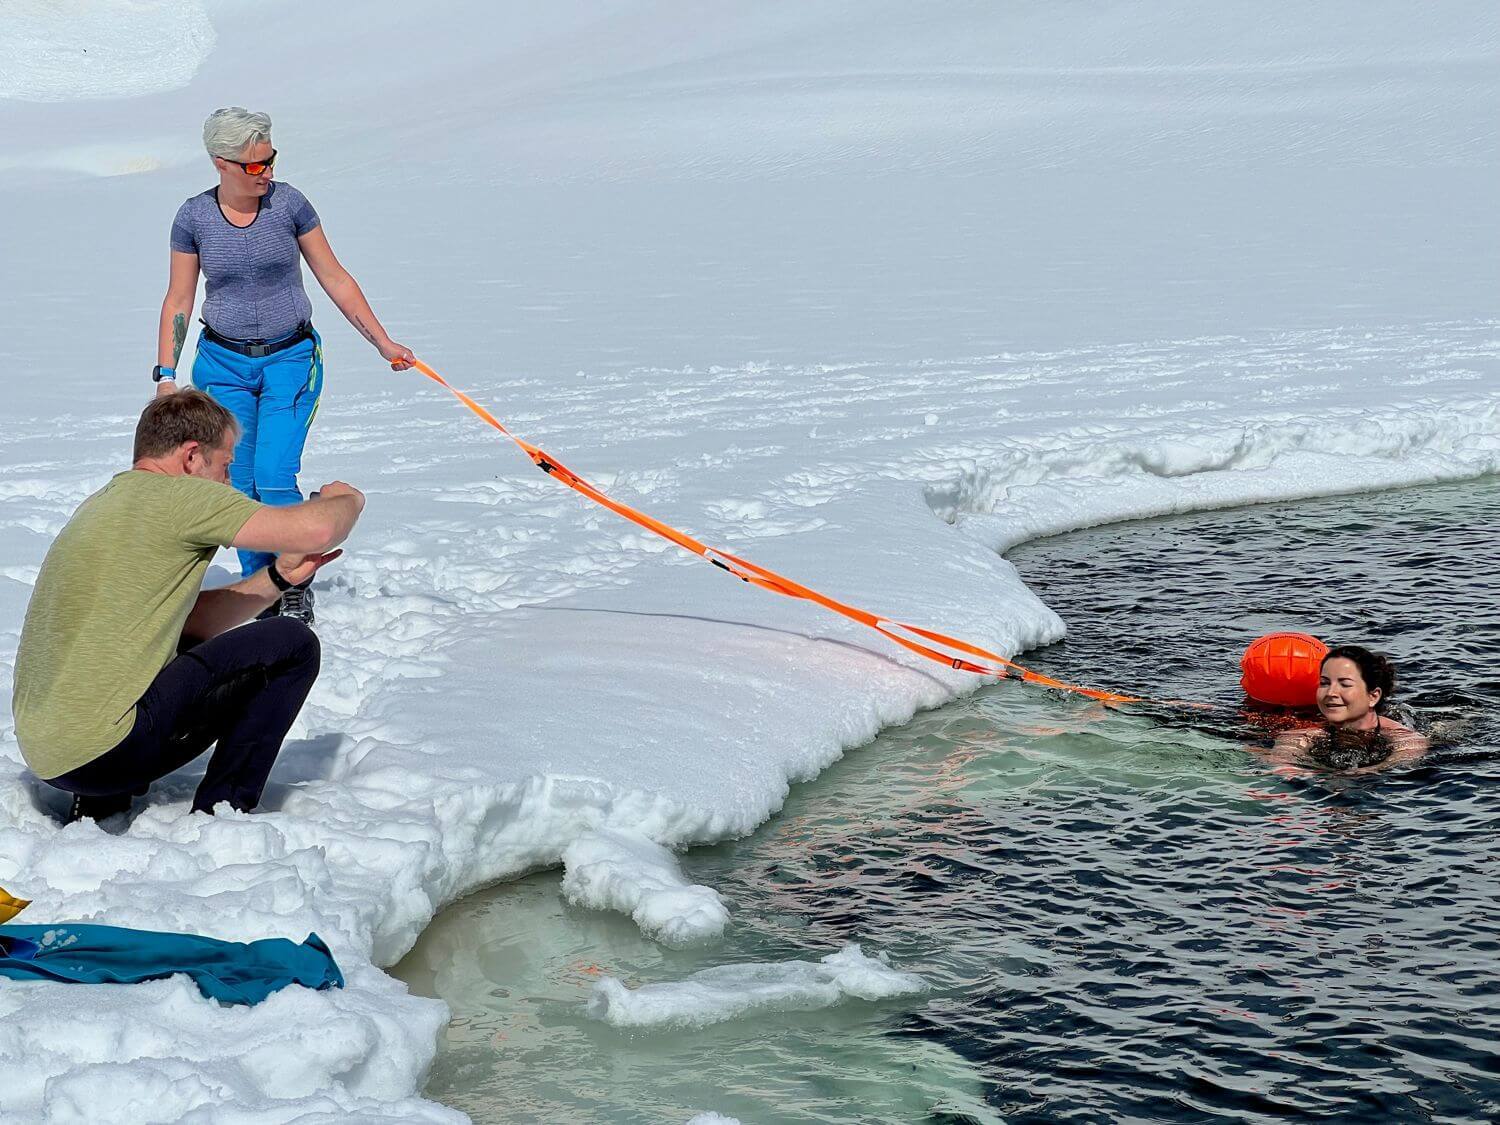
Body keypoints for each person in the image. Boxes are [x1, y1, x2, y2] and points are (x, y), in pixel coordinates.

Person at [11, 391, 366, 823]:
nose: (229, 482)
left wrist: (278, 578)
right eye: (226, 465)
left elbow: (189, 624)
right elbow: (318, 530)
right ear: (192, 456)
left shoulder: (103, 504)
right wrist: (346, 500)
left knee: (172, 645)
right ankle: (223, 811)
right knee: (292, 643)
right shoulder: (181, 496)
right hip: (107, 753)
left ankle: (104, 798)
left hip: (52, 755)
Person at [155, 106, 413, 623]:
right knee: (238, 481)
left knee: (273, 475)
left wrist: (382, 342)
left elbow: (333, 276)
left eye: (270, 159)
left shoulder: (289, 204)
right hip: (222, 366)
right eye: (254, 165)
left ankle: (294, 580)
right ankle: (264, 588)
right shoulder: (194, 217)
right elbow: (179, 298)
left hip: (291, 360)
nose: (267, 172)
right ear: (221, 163)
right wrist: (165, 376)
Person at [1272, 645, 1428, 770]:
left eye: (1345, 684)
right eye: (1324, 683)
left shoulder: (1404, 737)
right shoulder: (1301, 735)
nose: (1330, 693)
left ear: (1373, 696)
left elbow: (1403, 762)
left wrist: (1365, 773)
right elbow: (1283, 761)